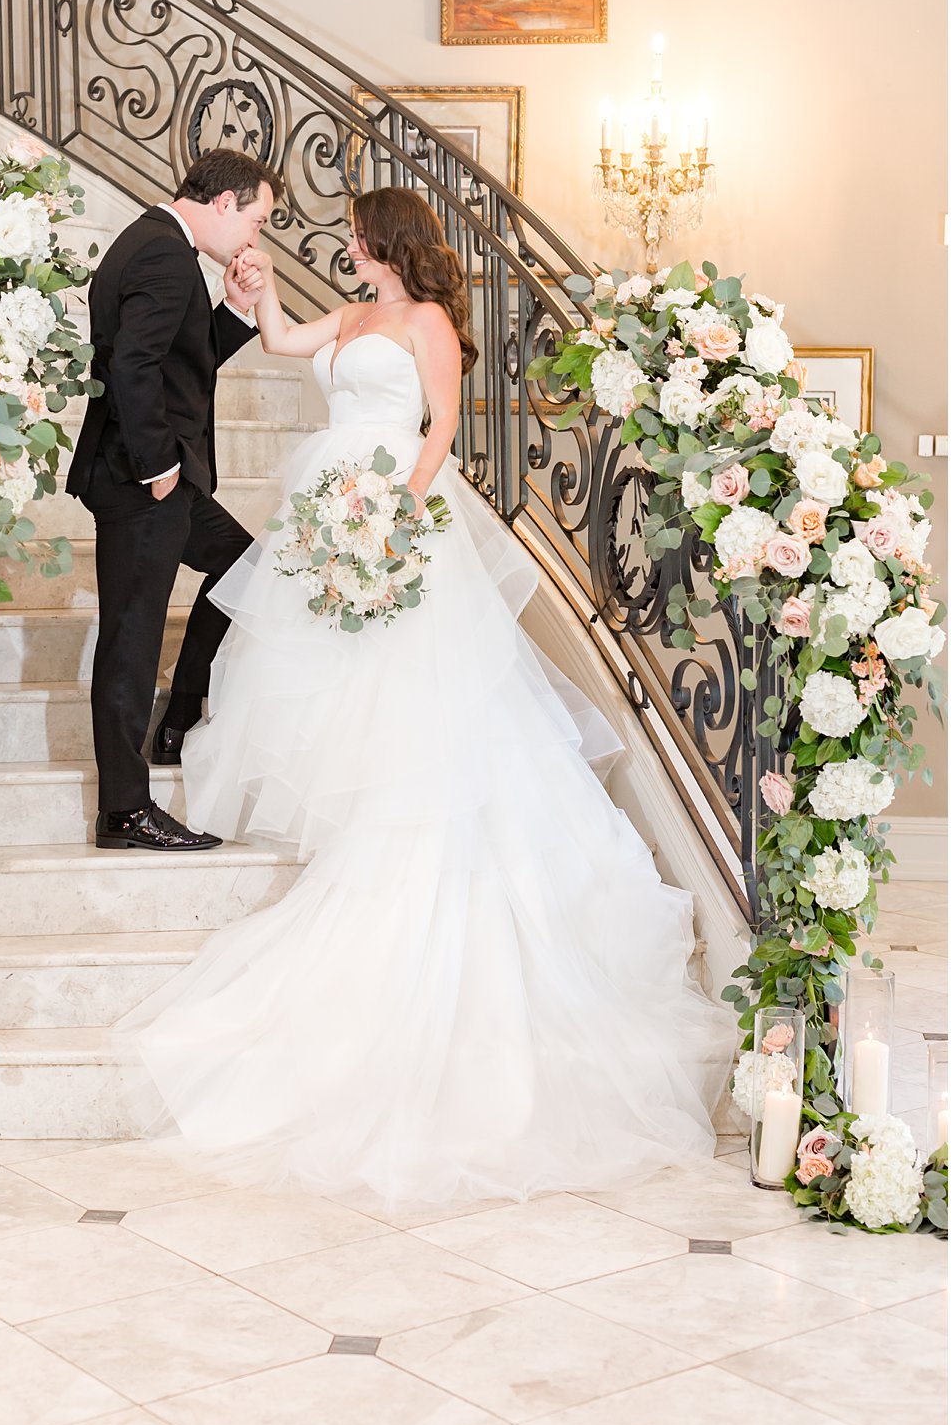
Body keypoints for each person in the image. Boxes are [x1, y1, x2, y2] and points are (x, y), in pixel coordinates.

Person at [117, 186, 732, 1210]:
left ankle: (400, 813)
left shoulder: (424, 321)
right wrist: (255, 292)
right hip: (331, 503)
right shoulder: (352, 314)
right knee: (321, 672)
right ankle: (354, 803)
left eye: (356, 237)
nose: (344, 247)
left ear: (387, 242)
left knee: (414, 683)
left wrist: (394, 520)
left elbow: (442, 427)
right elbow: (278, 344)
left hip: (395, 513)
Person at [66, 151, 281, 852]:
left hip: (159, 477)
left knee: (241, 563)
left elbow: (176, 362)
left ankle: (178, 716)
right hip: (144, 480)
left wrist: (236, 310)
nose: (255, 238)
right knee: (131, 639)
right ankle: (125, 811)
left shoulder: (160, 244)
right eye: (256, 219)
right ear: (224, 202)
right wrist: (158, 465)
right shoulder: (161, 254)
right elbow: (130, 366)